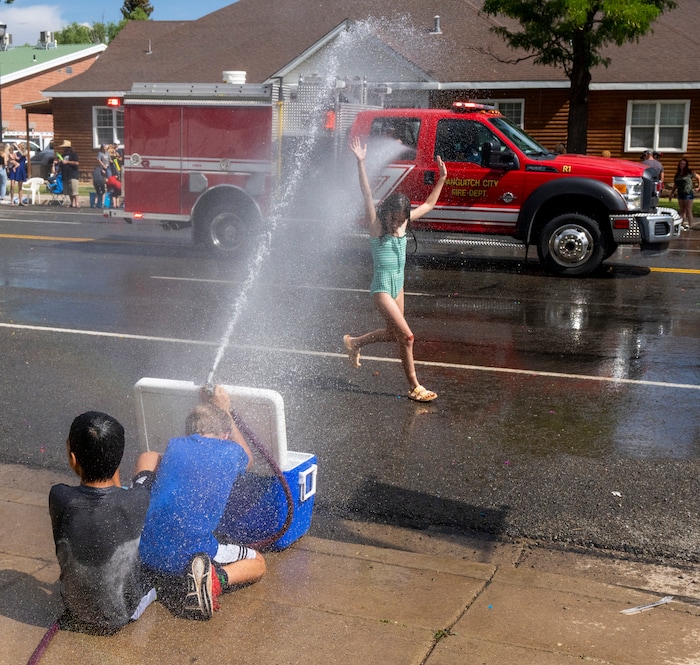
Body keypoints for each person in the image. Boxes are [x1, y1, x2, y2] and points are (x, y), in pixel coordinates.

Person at [139, 385, 266, 620]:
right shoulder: (230, 451)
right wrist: (226, 412)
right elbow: (248, 458)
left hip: (146, 550)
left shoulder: (175, 445)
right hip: (191, 555)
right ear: (225, 435)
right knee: (258, 563)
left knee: (150, 456)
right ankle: (214, 582)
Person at [343, 136, 447, 402]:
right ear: (387, 212)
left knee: (396, 335)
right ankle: (414, 386)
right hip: (382, 289)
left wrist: (442, 178)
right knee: (408, 336)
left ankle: (355, 343)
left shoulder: (403, 224)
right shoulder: (377, 227)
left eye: (401, 219)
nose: (396, 223)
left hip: (398, 286)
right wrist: (361, 163)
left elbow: (430, 205)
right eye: (394, 218)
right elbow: (367, 194)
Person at [49, 411, 161, 635]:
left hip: (75, 609)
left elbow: (96, 510)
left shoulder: (58, 496)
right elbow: (149, 459)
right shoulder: (138, 499)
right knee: (157, 575)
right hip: (123, 614)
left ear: (73, 458)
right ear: (118, 460)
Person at [669, 157, 698, 230]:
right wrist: (671, 193)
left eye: (684, 164)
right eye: (681, 164)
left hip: (688, 193)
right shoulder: (678, 174)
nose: (682, 165)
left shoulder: (689, 172)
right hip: (680, 193)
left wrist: (698, 187)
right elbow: (675, 184)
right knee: (682, 210)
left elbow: (698, 177)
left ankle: (690, 225)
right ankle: (681, 224)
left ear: (686, 165)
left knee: (688, 209)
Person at [58, 140, 80, 208]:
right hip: (65, 175)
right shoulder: (62, 155)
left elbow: (77, 163)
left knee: (74, 190)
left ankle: (77, 203)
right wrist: (59, 163)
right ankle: (72, 203)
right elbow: (61, 166)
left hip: (73, 174)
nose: (63, 149)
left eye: (65, 147)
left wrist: (67, 162)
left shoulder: (73, 154)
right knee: (69, 191)